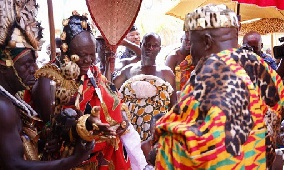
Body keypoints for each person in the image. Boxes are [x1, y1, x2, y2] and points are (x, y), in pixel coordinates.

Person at [154, 4, 284, 169]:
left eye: (192, 43)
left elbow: (192, 146)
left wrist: (160, 143)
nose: (190, 51)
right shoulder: (266, 70)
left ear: (207, 41)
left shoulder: (212, 74)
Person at [33, 12, 146, 169]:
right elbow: (50, 129)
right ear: (67, 51)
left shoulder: (92, 71)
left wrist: (121, 119)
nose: (89, 60)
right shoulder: (49, 79)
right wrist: (85, 127)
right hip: (71, 160)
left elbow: (111, 96)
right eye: (82, 55)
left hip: (105, 155)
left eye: (92, 54)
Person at [0, 1, 94, 169]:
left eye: (34, 62)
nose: (35, 69)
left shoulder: (11, 99)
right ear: (4, 66)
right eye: (26, 65)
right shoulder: (3, 107)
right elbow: (14, 165)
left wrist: (43, 143)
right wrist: (74, 159)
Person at [113, 32, 177, 141]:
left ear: (159, 49)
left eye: (154, 45)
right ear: (141, 45)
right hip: (129, 132)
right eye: (146, 44)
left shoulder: (166, 73)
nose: (149, 48)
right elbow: (111, 91)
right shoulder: (128, 70)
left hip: (156, 133)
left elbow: (173, 105)